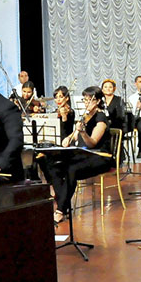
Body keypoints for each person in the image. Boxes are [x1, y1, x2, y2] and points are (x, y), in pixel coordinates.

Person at [37, 86, 115, 223]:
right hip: (85, 154)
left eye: (89, 100)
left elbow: (92, 143)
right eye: (84, 100)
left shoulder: (101, 118)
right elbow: (75, 135)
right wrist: (69, 138)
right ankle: (64, 203)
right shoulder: (84, 116)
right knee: (52, 164)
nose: (86, 103)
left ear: (97, 101)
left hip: (101, 156)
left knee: (71, 169)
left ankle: (60, 209)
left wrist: (83, 132)